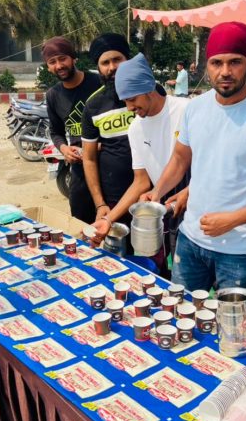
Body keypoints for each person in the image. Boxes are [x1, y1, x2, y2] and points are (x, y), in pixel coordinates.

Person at [144, 21, 246, 292]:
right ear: (206, 65)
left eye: (235, 62)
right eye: (217, 63)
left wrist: (233, 220)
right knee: (184, 319)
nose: (225, 72)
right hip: (190, 240)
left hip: (239, 249)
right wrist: (157, 191)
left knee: (233, 330)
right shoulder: (196, 109)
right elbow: (181, 159)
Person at [89, 53, 190, 278]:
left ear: (148, 87)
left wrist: (189, 191)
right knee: (161, 272)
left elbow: (206, 163)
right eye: (125, 101)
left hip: (194, 201)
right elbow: (141, 181)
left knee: (195, 277)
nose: (129, 107)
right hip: (160, 203)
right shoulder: (136, 128)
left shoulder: (185, 111)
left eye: (132, 99)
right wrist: (108, 219)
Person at [43, 37, 101, 224]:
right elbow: (56, 131)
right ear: (48, 67)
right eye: (52, 62)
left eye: (62, 59)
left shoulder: (98, 83)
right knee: (81, 223)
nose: (59, 65)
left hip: (108, 163)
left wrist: (101, 145)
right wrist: (64, 149)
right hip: (79, 168)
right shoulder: (53, 95)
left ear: (73, 58)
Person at [81, 33, 135, 226]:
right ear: (98, 67)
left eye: (117, 60)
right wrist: (99, 204)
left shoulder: (152, 94)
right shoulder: (93, 106)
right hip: (114, 198)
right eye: (105, 62)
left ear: (128, 59)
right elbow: (88, 158)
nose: (112, 67)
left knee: (154, 253)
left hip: (153, 194)